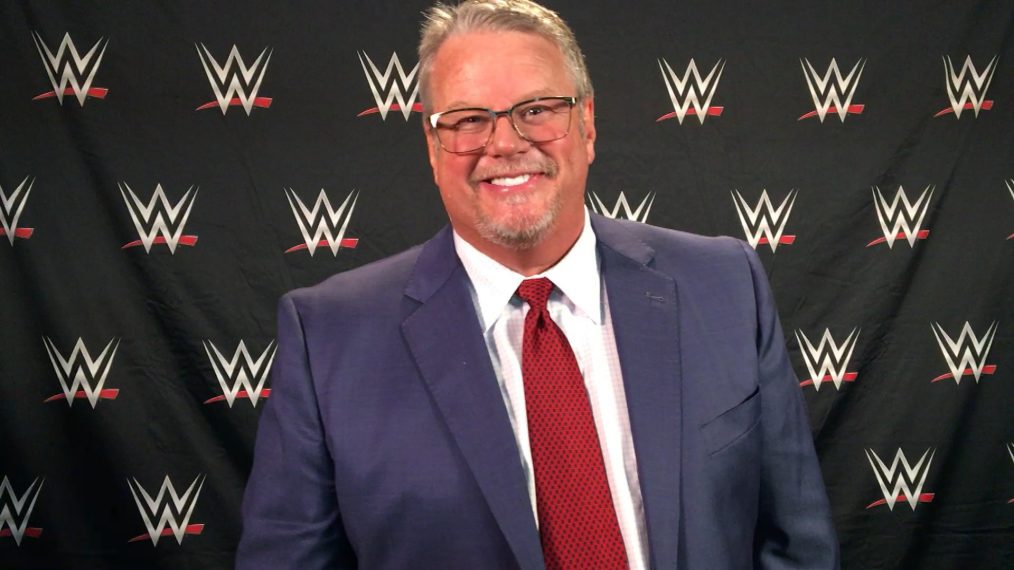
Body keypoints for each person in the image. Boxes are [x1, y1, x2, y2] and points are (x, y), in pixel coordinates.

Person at [236, 1, 839, 568]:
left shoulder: (725, 284)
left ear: (588, 124)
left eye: (537, 110)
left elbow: (796, 545)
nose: (504, 143)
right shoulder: (328, 336)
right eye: (468, 120)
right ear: (433, 146)